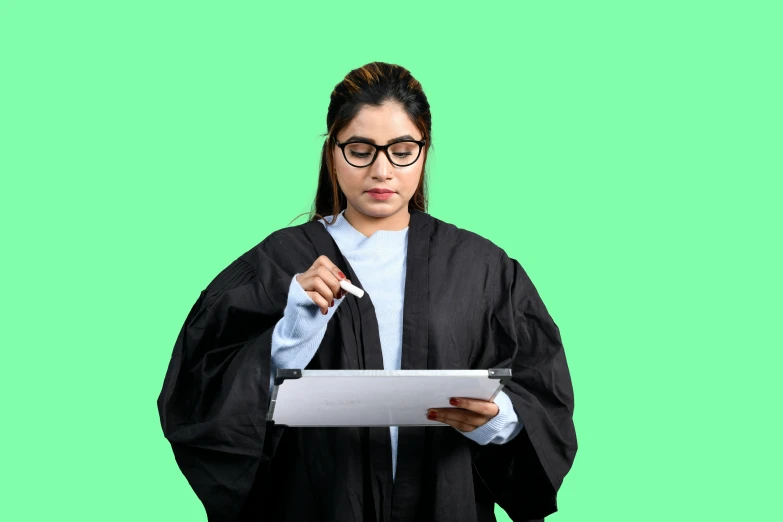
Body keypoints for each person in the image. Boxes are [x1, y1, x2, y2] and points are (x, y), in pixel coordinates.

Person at [157, 61, 577, 522]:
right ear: (332, 152)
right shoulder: (278, 262)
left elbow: (544, 396)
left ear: (424, 150)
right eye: (360, 149)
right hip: (313, 505)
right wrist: (287, 340)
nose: (382, 170)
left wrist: (498, 420)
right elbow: (196, 396)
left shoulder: (482, 269)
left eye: (402, 150)